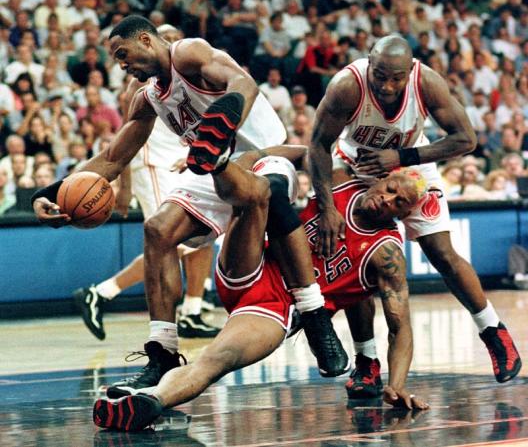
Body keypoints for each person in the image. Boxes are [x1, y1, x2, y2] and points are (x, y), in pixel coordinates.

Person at [32, 15, 348, 398]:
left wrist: (221, 122)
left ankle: (314, 314)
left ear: (146, 40)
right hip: (208, 163)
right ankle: (163, 352)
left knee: (268, 191)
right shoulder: (147, 97)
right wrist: (48, 192)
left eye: (122, 54)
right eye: (117, 60)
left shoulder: (188, 52)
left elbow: (243, 83)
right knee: (158, 229)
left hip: (263, 154)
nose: (121, 65)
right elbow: (112, 159)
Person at [92, 159, 430, 432]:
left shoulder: (387, 254)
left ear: (402, 216)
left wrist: (397, 382)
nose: (387, 200)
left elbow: (400, 326)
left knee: (216, 360)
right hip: (251, 263)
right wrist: (217, 163)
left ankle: (148, 401)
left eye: (398, 203)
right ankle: (217, 158)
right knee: (265, 182)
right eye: (389, 190)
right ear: (381, 179)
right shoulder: (338, 180)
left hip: (274, 309)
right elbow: (303, 147)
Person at [308, 34, 522, 393]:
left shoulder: (427, 84)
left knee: (441, 253)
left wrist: (402, 157)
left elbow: (466, 139)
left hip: (411, 164)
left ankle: (493, 331)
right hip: (358, 166)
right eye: (380, 75)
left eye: (396, 77)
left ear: (410, 71)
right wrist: (326, 205)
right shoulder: (348, 85)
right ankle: (367, 361)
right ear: (369, 65)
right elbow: (317, 144)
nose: (387, 85)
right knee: (359, 261)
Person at [72, 24, 221, 342]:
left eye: (177, 37)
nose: (174, 42)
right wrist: (124, 187)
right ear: (149, 40)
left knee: (203, 233)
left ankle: (192, 312)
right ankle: (100, 293)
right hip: (152, 165)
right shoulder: (138, 86)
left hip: (181, 162)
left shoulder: (187, 73)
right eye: (168, 36)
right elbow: (125, 142)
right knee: (170, 238)